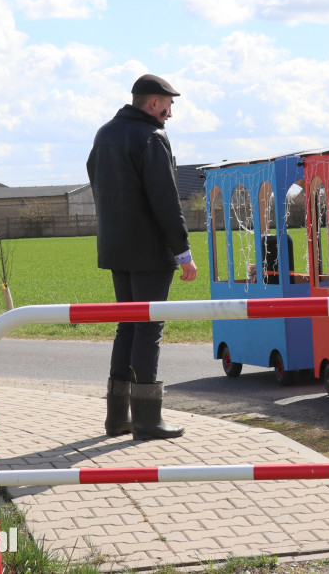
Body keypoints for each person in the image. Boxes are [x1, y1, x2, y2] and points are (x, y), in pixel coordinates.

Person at [87, 74, 198, 441]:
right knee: (149, 329)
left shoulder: (104, 133)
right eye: (168, 106)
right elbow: (166, 200)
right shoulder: (152, 136)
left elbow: (94, 178)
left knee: (128, 326)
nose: (170, 114)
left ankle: (117, 418)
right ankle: (148, 421)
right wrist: (184, 253)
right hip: (150, 250)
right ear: (153, 103)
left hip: (115, 248)